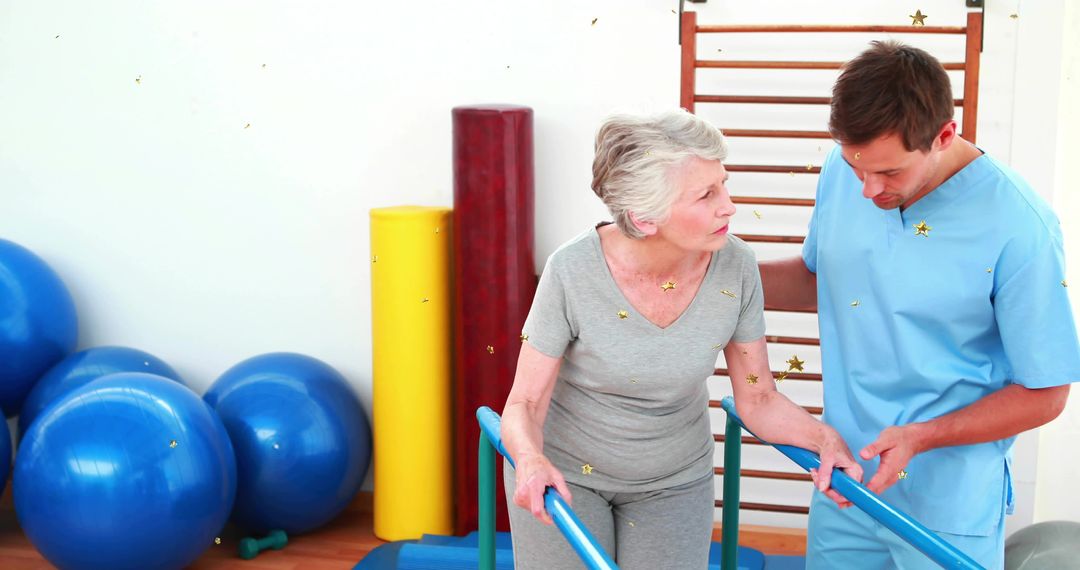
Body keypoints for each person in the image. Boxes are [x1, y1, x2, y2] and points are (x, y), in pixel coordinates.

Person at [760, 41, 1080, 569]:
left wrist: (920, 437)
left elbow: (1045, 392)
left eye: (888, 174)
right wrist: (707, 272)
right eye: (856, 167)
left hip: (947, 495)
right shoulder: (852, 170)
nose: (867, 190)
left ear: (944, 135)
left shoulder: (1021, 227)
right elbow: (826, 282)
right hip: (846, 477)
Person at [500, 109, 862, 569]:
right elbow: (524, 405)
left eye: (723, 184)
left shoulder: (737, 267)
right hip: (569, 474)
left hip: (673, 481)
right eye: (706, 194)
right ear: (645, 218)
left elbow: (760, 400)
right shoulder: (571, 271)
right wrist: (530, 460)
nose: (728, 205)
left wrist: (822, 438)